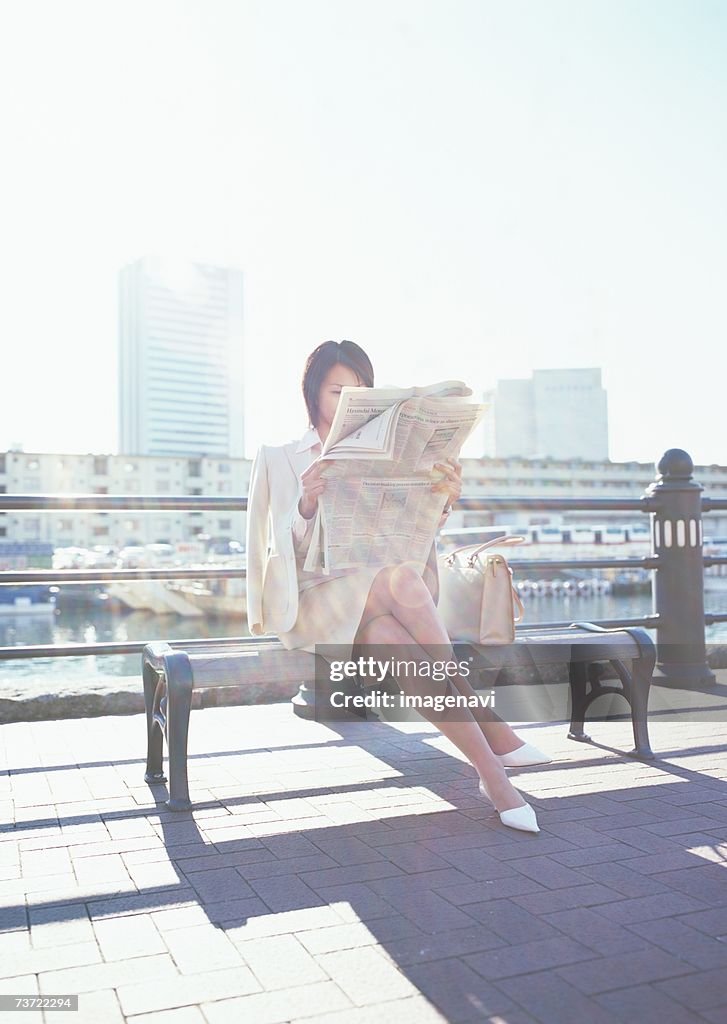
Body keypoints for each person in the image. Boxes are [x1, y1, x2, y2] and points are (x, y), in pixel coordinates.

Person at [246, 340, 550, 834]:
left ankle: (491, 775)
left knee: (392, 630)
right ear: (312, 393)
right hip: (315, 602)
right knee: (400, 584)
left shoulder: (384, 454)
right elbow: (268, 553)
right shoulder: (280, 458)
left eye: (359, 392)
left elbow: (408, 541)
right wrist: (304, 504)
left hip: (378, 596)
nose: (346, 401)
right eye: (337, 391)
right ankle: (489, 730)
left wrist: (441, 499)